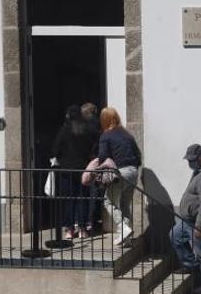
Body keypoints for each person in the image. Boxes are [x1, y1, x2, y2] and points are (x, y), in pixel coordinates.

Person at [171, 143, 201, 294]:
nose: (189, 163)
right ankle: (190, 264)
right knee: (175, 236)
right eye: (188, 160)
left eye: (192, 160)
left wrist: (199, 225)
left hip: (197, 222)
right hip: (187, 220)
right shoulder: (198, 171)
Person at [97, 107, 142, 246]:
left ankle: (123, 228)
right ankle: (126, 239)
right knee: (124, 204)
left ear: (104, 121)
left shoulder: (106, 135)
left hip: (121, 172)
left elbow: (103, 157)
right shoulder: (127, 134)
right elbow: (138, 156)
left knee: (108, 201)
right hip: (134, 171)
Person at [51, 105, 97, 239]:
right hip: (83, 169)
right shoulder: (88, 131)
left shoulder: (64, 131)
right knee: (83, 199)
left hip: (67, 171)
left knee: (68, 200)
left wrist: (60, 158)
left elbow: (55, 150)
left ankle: (69, 230)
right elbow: (95, 144)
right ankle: (83, 229)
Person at [81, 103, 103, 231]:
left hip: (87, 161)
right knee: (95, 192)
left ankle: (86, 221)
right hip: (96, 161)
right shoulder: (99, 126)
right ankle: (92, 220)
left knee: (85, 193)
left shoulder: (83, 127)